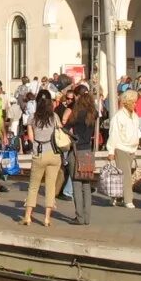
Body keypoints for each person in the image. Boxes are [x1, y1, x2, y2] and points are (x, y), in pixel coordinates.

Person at [22, 90, 62, 226]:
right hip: (54, 154)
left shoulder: (33, 118)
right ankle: (47, 219)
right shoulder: (54, 117)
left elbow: (31, 139)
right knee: (50, 187)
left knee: (33, 186)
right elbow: (60, 133)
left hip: (39, 154)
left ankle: (27, 217)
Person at [62, 86, 98, 225]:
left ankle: (79, 217)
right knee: (86, 184)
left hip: (76, 150)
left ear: (78, 97)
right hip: (88, 150)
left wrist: (71, 135)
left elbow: (66, 128)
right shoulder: (92, 113)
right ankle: (87, 218)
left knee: (76, 183)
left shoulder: (78, 113)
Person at [107, 89, 141, 209]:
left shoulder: (135, 116)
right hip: (121, 148)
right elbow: (113, 134)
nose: (135, 104)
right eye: (133, 102)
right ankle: (128, 199)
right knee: (126, 176)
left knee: (121, 175)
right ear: (127, 102)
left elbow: (137, 132)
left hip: (131, 149)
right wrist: (111, 151)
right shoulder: (118, 116)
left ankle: (116, 197)